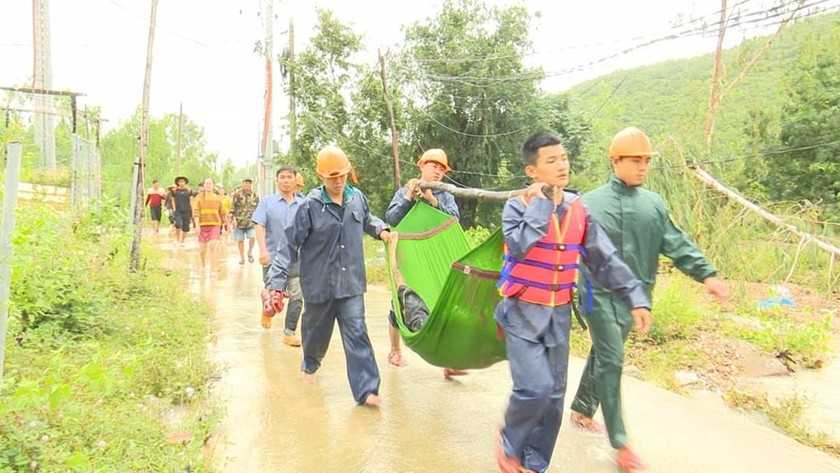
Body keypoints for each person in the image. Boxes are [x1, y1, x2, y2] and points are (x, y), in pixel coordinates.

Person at [568, 127, 730, 471]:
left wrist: (707, 275)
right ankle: (621, 444)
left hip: (635, 300)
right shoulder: (589, 203)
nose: (643, 167)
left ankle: (582, 408)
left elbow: (677, 243)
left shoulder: (653, 205)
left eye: (646, 161)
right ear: (615, 161)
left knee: (603, 353)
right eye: (635, 160)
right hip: (596, 296)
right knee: (612, 359)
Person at [494, 132, 652, 473]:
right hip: (521, 311)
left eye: (563, 158)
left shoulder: (579, 210)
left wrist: (636, 297)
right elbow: (519, 244)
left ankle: (534, 463)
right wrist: (540, 204)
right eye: (551, 161)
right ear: (532, 171)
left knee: (553, 398)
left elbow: (605, 259)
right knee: (534, 388)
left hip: (559, 315)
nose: (562, 165)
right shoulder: (517, 207)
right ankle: (509, 440)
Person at [265, 145, 393, 406]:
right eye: (332, 177)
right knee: (316, 332)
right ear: (321, 177)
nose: (338, 182)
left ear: (348, 173)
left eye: (342, 176)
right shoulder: (309, 206)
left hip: (351, 283)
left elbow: (368, 218)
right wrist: (276, 284)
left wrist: (380, 229)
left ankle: (366, 389)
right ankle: (310, 364)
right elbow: (288, 245)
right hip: (319, 284)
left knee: (357, 330)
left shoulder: (357, 198)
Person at [384, 148, 464, 379]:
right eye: (433, 166)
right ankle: (395, 351)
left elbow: (453, 219)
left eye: (441, 169)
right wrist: (410, 196)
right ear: (421, 166)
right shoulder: (404, 191)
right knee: (400, 301)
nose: (437, 171)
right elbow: (393, 219)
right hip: (408, 252)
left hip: (434, 252)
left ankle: (447, 361)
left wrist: (432, 200)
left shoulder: (445, 194)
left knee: (440, 302)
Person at [252, 167, 306, 346]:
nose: (286, 180)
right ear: (277, 181)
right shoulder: (267, 202)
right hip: (274, 257)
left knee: (297, 295)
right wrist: (262, 250)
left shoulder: (304, 203)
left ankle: (289, 332)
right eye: (282, 177)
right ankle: (267, 309)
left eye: (289, 177)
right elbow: (259, 225)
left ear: (294, 180)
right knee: (274, 297)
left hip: (297, 259)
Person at [192, 177, 228, 271]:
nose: (208, 185)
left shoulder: (218, 198)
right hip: (202, 225)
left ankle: (213, 268)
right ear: (204, 186)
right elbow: (196, 213)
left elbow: (223, 213)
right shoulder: (199, 198)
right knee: (202, 250)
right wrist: (197, 225)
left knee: (212, 246)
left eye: (210, 183)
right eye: (206, 183)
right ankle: (203, 265)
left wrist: (226, 225)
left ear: (213, 186)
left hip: (215, 225)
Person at [231, 177, 260, 265]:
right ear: (243, 184)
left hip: (251, 222)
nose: (247, 185)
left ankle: (250, 252)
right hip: (239, 222)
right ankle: (242, 257)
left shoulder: (255, 195)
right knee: (240, 240)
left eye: (249, 183)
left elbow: (259, 208)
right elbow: (232, 207)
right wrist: (233, 219)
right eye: (246, 183)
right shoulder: (237, 195)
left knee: (252, 237)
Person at [171, 176, 193, 245]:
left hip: (187, 211)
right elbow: (173, 200)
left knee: (186, 228)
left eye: (183, 181)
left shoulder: (189, 191)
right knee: (178, 224)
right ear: (178, 183)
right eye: (180, 182)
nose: (182, 183)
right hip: (178, 211)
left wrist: (192, 210)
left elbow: (191, 200)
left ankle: (182, 241)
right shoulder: (174, 191)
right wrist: (174, 209)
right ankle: (177, 239)